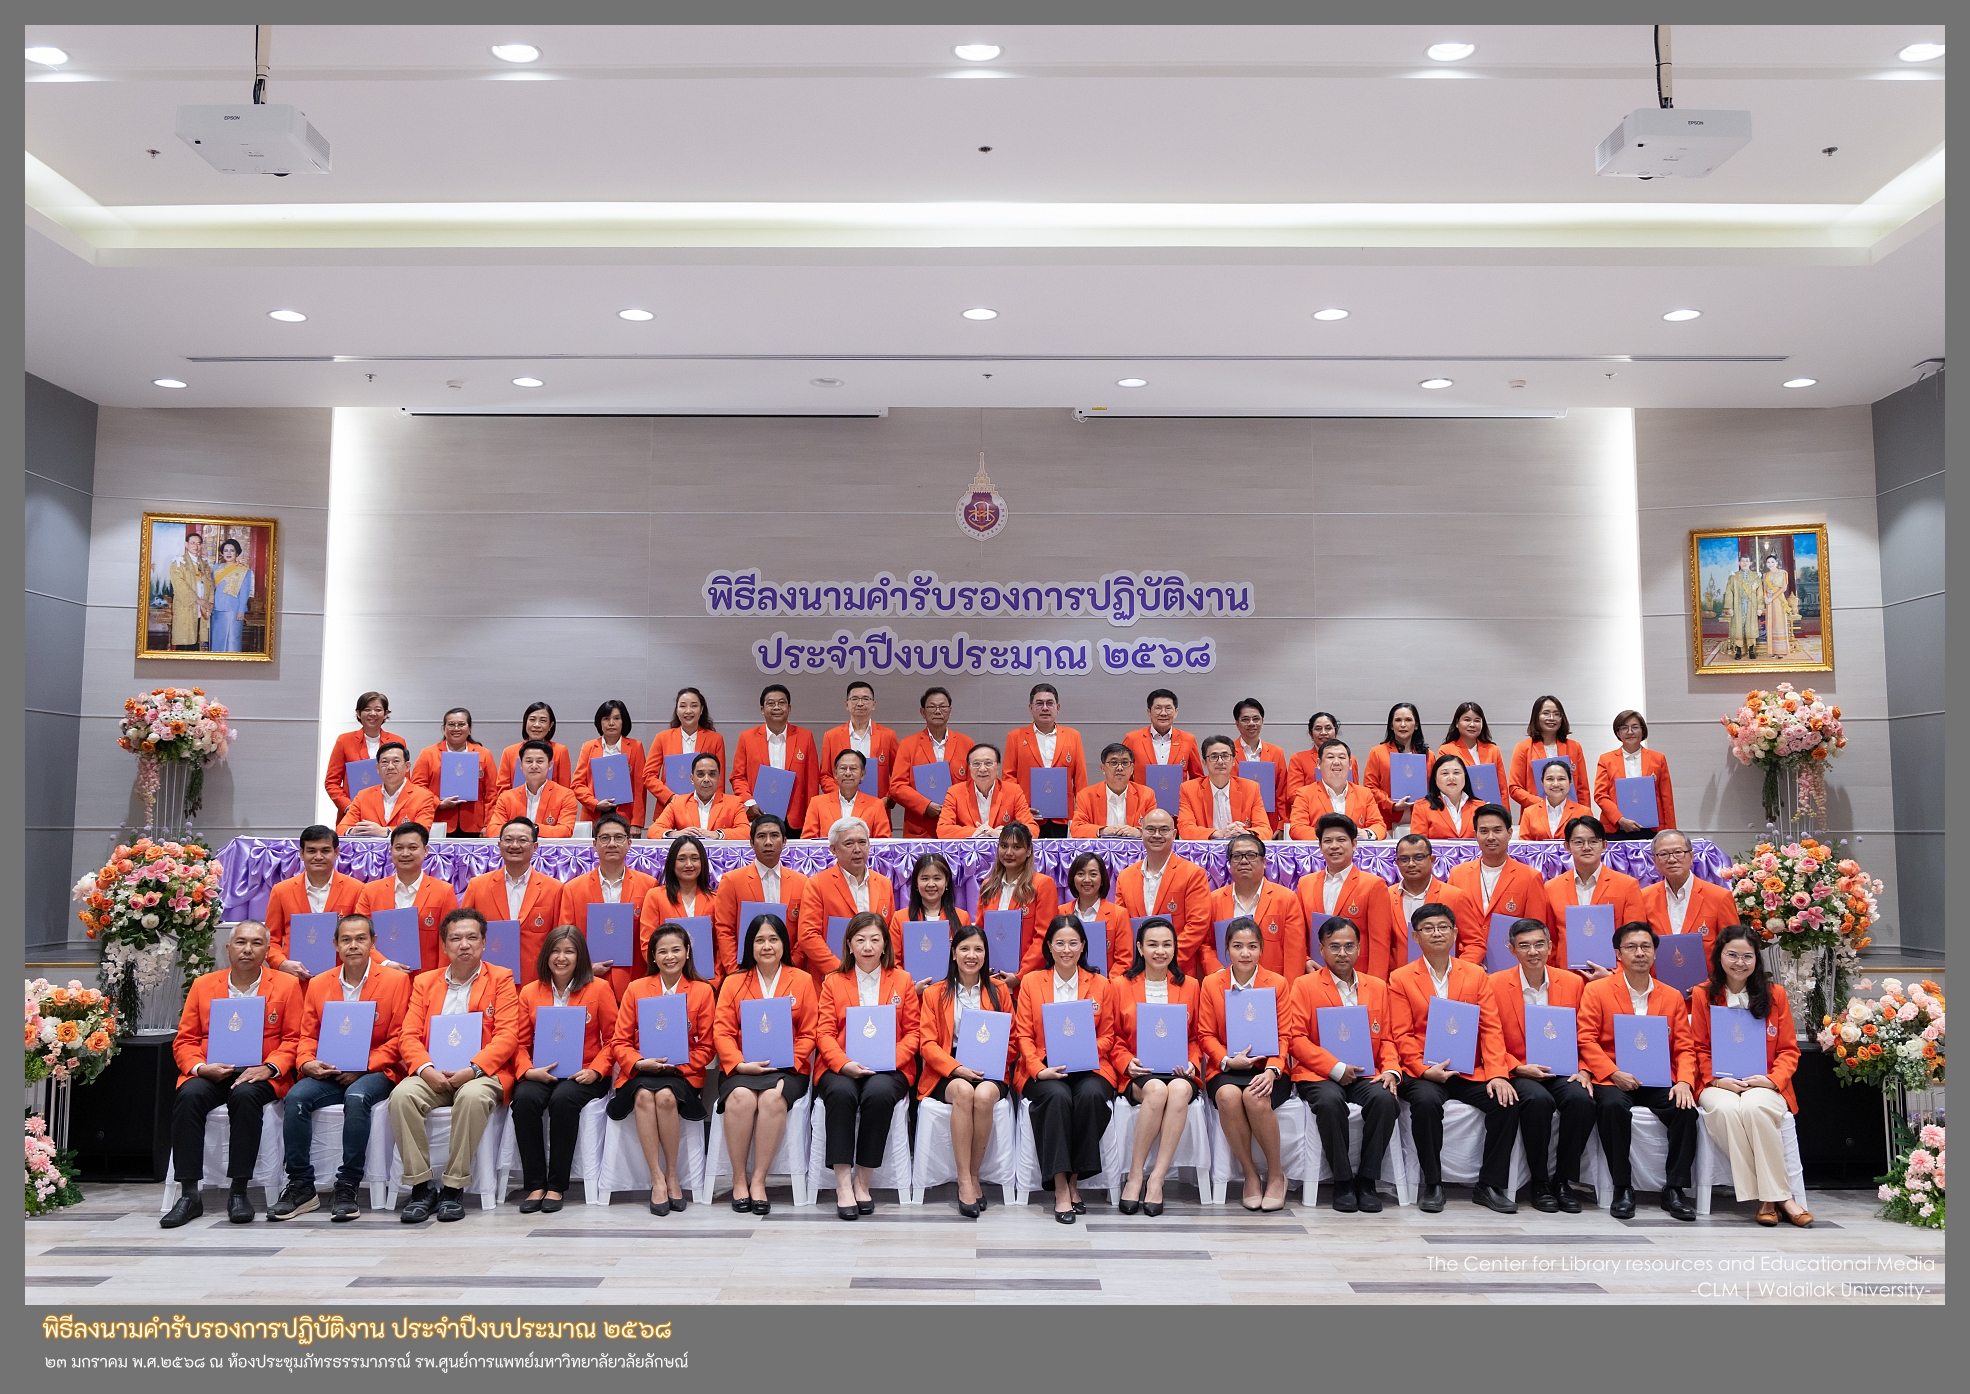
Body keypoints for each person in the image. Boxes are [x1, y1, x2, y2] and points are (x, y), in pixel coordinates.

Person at [161, 920, 304, 1228]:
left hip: (260, 1073)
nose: (247, 950)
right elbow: (185, 1040)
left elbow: (294, 1038)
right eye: (241, 942)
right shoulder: (204, 985)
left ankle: (238, 1191)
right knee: (189, 1096)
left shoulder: (286, 985)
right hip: (212, 1070)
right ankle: (189, 1195)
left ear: (266, 950)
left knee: (245, 1095)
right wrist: (201, 1068)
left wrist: (269, 1067)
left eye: (256, 943)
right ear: (228, 949)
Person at [271, 913, 411, 1222]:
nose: (353, 946)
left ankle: (347, 1184)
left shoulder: (396, 981)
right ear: (335, 944)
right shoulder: (319, 983)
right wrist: (307, 1062)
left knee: (357, 1098)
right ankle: (301, 1185)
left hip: (375, 1071)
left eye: (361, 939)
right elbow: (307, 1035)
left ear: (373, 942)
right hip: (329, 1070)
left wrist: (364, 1065)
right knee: (296, 1098)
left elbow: (401, 1037)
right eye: (346, 940)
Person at [389, 908, 522, 1224]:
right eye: (456, 938)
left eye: (472, 937)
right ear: (444, 945)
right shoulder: (424, 982)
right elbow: (408, 1035)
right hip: (432, 1073)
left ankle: (453, 1187)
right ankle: (421, 1187)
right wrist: (425, 1069)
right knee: (402, 1096)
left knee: (472, 1097)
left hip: (480, 1074)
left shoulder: (501, 978)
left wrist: (472, 1070)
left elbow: (507, 1036)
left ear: (484, 943)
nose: (464, 944)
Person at [1388, 904, 1521, 1214]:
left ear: (1455, 933)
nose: (1437, 933)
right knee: (1425, 1102)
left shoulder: (1476, 974)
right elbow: (1401, 1034)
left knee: (1507, 1101)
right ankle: (1433, 1184)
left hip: (1469, 1069)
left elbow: (1490, 1028)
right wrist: (1423, 1069)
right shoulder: (1401, 978)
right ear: (1416, 937)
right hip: (1424, 1070)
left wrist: (1498, 1073)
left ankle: (1489, 1185)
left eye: (1443, 927)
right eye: (1428, 928)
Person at [1578, 921, 1700, 1221]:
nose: (1640, 953)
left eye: (1646, 946)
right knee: (1611, 1107)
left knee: (1685, 1110)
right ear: (1618, 954)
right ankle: (1622, 1187)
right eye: (1631, 947)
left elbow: (1685, 1047)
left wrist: (1684, 1081)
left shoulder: (1671, 996)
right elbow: (1586, 1039)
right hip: (1615, 1077)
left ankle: (1675, 1189)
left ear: (1656, 953)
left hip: (1659, 1078)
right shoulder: (1597, 990)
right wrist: (1612, 1072)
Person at [1691, 925, 1811, 1226]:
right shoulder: (1703, 994)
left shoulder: (1775, 995)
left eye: (1747, 956)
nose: (1739, 963)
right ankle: (1779, 1197)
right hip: (1718, 1082)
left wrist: (1771, 1080)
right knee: (1726, 1110)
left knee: (1755, 1107)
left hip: (1765, 1082)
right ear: (1719, 956)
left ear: (1757, 959)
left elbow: (1789, 1050)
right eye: (1732, 955)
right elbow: (1698, 1048)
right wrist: (1717, 1080)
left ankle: (1770, 1199)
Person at [1282, 916, 1401, 1213]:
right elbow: (1295, 1038)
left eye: (1349, 946)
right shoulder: (1304, 985)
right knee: (1329, 1102)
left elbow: (1387, 1037)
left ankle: (1367, 1181)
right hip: (1320, 1074)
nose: (1343, 953)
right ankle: (1343, 1180)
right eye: (1334, 946)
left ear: (1360, 948)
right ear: (1321, 949)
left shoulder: (1377, 986)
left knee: (1385, 1100)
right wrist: (1334, 1067)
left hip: (1366, 1073)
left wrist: (1390, 1069)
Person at [814, 912, 921, 1219]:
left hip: (889, 1067)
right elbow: (824, 1033)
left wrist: (889, 1060)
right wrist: (843, 1063)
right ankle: (842, 1184)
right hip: (841, 1065)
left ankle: (863, 1181)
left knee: (879, 1094)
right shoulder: (833, 982)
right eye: (860, 940)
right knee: (841, 1093)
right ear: (849, 945)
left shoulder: (902, 980)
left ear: (885, 944)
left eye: (875, 939)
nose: (868, 947)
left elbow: (913, 1033)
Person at [1013, 915, 1119, 1224]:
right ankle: (1060, 1186)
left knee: (1092, 1096)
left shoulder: (1100, 984)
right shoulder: (1032, 982)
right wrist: (1037, 1069)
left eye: (1073, 943)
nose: (1066, 949)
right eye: (1059, 943)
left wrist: (1084, 1052)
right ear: (1049, 946)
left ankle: (1074, 1179)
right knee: (1057, 1097)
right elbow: (1023, 1036)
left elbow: (1108, 1036)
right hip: (1044, 1067)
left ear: (1083, 946)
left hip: (1089, 1067)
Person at [713, 912, 819, 1214]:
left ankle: (759, 1180)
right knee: (741, 1098)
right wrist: (739, 1064)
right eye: (760, 940)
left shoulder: (802, 980)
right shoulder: (734, 982)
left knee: (773, 1099)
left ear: (784, 943)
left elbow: (810, 1031)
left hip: (788, 1068)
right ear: (750, 946)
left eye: (773, 939)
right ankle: (739, 1179)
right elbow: (722, 1031)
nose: (767, 946)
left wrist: (790, 1060)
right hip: (742, 1067)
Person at [610, 922, 717, 1215]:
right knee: (645, 1096)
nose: (670, 956)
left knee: (667, 1096)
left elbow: (708, 1046)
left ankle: (672, 1174)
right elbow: (620, 1041)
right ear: (653, 957)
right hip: (641, 1070)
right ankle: (656, 1178)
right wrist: (638, 1062)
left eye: (676, 950)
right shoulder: (636, 989)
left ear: (687, 952)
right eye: (662, 952)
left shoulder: (702, 991)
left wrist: (679, 1064)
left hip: (683, 1072)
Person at [510, 926, 617, 1214]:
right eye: (555, 951)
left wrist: (596, 1071)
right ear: (546, 955)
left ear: (580, 956)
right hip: (540, 1072)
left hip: (584, 1073)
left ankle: (556, 1186)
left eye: (569, 951)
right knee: (524, 1099)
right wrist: (527, 1071)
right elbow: (519, 1043)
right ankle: (535, 1184)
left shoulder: (599, 988)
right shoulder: (529, 992)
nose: (561, 958)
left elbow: (614, 1040)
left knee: (563, 1099)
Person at [1489, 918, 1593, 1213]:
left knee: (1581, 1100)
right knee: (1537, 1101)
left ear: (1550, 946)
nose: (1532, 951)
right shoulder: (1494, 984)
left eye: (1539, 944)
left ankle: (1563, 1181)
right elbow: (1490, 1036)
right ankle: (1540, 1182)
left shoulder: (1573, 983)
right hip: (1520, 1068)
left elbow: (1585, 1032)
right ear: (1511, 950)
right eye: (1524, 945)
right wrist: (1515, 1067)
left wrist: (1584, 1069)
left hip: (1564, 1068)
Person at [916, 923, 1012, 1217]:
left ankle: (974, 1174)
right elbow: (927, 1044)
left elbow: (1013, 1038)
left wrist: (994, 1061)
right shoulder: (934, 993)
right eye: (965, 949)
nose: (972, 955)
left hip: (990, 1066)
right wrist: (956, 1068)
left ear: (985, 954)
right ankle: (964, 1180)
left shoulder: (999, 990)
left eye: (978, 949)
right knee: (963, 1091)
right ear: (953, 953)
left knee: (983, 1095)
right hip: (948, 1066)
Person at [1109, 916, 1202, 1216]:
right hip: (1141, 1071)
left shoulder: (1191, 986)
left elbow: (1197, 1037)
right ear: (1139, 948)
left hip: (1178, 1070)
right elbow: (1113, 1036)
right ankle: (1135, 1176)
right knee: (1157, 1091)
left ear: (1175, 948)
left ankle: (1157, 1179)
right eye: (1152, 944)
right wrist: (1127, 1063)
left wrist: (1192, 1062)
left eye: (1166, 944)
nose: (1160, 951)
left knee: (1178, 1090)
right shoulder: (1120, 985)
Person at [1199, 918, 1291, 1212]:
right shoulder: (1212, 983)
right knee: (1227, 1096)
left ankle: (1276, 1174)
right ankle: (1250, 1174)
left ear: (1261, 949)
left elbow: (1284, 1035)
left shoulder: (1277, 983)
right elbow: (1205, 1034)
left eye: (1252, 946)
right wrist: (1227, 1060)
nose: (1245, 953)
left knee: (1255, 1097)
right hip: (1226, 1066)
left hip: (1267, 1067)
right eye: (1237, 946)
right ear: (1227, 949)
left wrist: (1272, 1070)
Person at [557, 814, 659, 997]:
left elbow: (653, 937)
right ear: (594, 844)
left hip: (635, 982)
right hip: (589, 983)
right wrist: (586, 968)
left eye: (618, 837)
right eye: (605, 838)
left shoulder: (648, 885)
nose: (612, 844)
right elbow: (566, 938)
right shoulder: (573, 889)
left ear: (629, 842)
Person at [1293, 814, 1400, 981]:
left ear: (1354, 844)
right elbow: (1299, 934)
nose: (1334, 846)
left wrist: (1374, 985)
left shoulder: (1373, 885)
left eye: (1341, 840)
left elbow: (1380, 943)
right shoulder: (1305, 883)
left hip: (1357, 977)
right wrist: (1305, 960)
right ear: (1320, 846)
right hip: (1316, 976)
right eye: (1328, 841)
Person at [459, 816, 564, 986]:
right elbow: (464, 932)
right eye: (508, 840)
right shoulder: (477, 886)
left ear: (535, 846)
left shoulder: (554, 889)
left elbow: (560, 939)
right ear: (499, 845)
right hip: (487, 981)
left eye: (522, 840)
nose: (514, 845)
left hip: (537, 982)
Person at [1448, 805, 1553, 964]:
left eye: (1497, 830)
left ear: (1509, 833)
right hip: (1466, 963)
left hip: (1510, 964)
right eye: (1484, 831)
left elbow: (1534, 932)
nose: (1490, 837)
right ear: (1475, 835)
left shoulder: (1530, 877)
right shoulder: (1458, 874)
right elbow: (1449, 925)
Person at [794, 818, 897, 977]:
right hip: (833, 977)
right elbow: (808, 935)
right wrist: (840, 971)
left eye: (862, 842)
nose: (857, 849)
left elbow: (889, 932)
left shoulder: (884, 883)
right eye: (849, 843)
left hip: (876, 976)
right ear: (833, 850)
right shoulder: (817, 884)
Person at [1115, 809, 1213, 976]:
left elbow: (1197, 925)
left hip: (1178, 972)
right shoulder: (1125, 877)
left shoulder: (1192, 874)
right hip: (1136, 972)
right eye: (1150, 829)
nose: (1157, 835)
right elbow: (1121, 929)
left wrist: (1165, 961)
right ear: (1141, 832)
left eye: (1163, 830)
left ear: (1174, 834)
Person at [712, 816, 807, 984]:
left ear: (784, 841)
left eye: (774, 835)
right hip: (744, 971)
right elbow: (724, 929)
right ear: (751, 842)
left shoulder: (802, 882)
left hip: (789, 972)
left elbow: (804, 930)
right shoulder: (732, 881)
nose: (768, 842)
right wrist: (736, 972)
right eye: (762, 836)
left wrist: (792, 967)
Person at [262, 824, 365, 978]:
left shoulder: (357, 889)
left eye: (325, 851)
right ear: (301, 853)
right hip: (294, 979)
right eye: (311, 851)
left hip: (342, 978)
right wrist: (281, 963)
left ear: (336, 853)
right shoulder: (281, 891)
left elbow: (363, 937)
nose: (318, 857)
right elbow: (270, 939)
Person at [1542, 817, 1637, 975]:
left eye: (1593, 841)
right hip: (1566, 977)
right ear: (1567, 846)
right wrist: (1555, 974)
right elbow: (1550, 940)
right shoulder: (1551, 888)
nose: (1586, 847)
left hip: (1610, 976)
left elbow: (1635, 938)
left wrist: (1615, 973)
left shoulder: (1627, 886)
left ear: (1604, 845)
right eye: (1579, 842)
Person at [358, 822, 457, 972]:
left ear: (426, 851)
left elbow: (448, 942)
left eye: (412, 848)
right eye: (399, 848)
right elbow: (359, 937)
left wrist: (439, 979)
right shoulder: (370, 891)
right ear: (390, 851)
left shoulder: (444, 892)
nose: (405, 853)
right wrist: (384, 963)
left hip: (426, 978)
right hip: (381, 975)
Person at [1209, 831, 1307, 980]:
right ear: (1229, 864)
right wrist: (1217, 972)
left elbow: (1295, 954)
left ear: (1264, 862)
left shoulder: (1286, 899)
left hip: (1272, 987)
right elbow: (1206, 945)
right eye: (1237, 856)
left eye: (1251, 855)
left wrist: (1288, 990)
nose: (1243, 861)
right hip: (1226, 985)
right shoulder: (1214, 900)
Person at [731, 684, 821, 836]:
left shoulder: (805, 737)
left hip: (795, 819)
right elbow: (737, 777)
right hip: (759, 814)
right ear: (762, 709)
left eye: (782, 703)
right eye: (771, 703)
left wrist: (811, 817)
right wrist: (749, 803)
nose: (777, 707)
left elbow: (812, 781)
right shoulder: (747, 738)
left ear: (789, 708)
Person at [1636, 829, 1740, 957]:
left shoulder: (1719, 897)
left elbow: (1734, 948)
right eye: (1663, 854)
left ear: (1691, 856)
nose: (1671, 859)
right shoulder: (1643, 897)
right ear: (1655, 861)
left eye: (1678, 852)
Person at [1003, 682, 1087, 839]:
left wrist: (1081, 812)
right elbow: (1009, 777)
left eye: (1050, 703)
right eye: (1039, 703)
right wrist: (1020, 808)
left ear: (1058, 707)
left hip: (1062, 815)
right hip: (1028, 814)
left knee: (1060, 854)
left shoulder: (1073, 736)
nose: (1045, 708)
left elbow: (1080, 778)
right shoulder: (1015, 737)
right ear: (1030, 708)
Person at [1386, 833, 1479, 973]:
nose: (1411, 864)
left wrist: (1456, 972)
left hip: (1445, 978)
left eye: (1418, 857)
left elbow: (1474, 944)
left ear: (1432, 860)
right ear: (1397, 863)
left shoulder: (1454, 896)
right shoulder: (1385, 896)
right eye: (1404, 859)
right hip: (1399, 979)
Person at [889, 686, 975, 838]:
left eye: (942, 707)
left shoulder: (966, 743)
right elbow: (897, 786)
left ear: (950, 711)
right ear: (922, 712)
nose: (937, 711)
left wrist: (953, 807)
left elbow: (972, 785)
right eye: (932, 707)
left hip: (957, 824)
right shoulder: (908, 744)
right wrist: (925, 805)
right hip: (920, 826)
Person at [817, 681, 900, 826]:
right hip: (840, 810)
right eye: (854, 699)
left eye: (865, 699)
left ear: (873, 704)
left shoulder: (888, 736)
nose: (860, 703)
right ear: (846, 704)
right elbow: (825, 775)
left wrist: (888, 799)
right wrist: (843, 794)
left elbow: (898, 775)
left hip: (878, 809)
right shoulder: (831, 736)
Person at [986, 823, 1062, 975]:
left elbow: (1044, 936)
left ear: (1028, 851)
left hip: (1028, 976)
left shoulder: (1042, 884)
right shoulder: (987, 886)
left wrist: (1020, 974)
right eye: (1004, 846)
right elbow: (981, 933)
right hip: (991, 976)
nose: (1009, 852)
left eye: (1016, 847)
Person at [409, 708, 494, 838]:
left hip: (475, 824)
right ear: (444, 728)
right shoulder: (428, 753)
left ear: (470, 729)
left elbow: (491, 793)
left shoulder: (484, 754)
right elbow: (417, 786)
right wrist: (438, 803)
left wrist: (489, 824)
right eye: (451, 724)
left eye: (461, 724)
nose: (456, 728)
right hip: (438, 822)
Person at [637, 832, 718, 969]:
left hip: (708, 979)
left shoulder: (716, 899)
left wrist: (715, 977)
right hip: (667, 975)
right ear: (672, 863)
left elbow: (721, 945)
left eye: (695, 858)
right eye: (681, 859)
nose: (689, 864)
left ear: (703, 862)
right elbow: (647, 944)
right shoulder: (655, 896)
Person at [1594, 710, 1678, 839]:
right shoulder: (1606, 759)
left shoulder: (1658, 758)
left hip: (1652, 829)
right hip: (1616, 827)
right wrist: (1620, 819)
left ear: (1642, 730)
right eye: (1624, 728)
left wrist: (1671, 833)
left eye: (1635, 727)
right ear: (1618, 733)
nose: (1630, 732)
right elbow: (1600, 795)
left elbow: (1666, 798)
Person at [573, 699, 650, 837]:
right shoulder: (588, 747)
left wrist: (637, 823)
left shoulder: (635, 747)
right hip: (594, 814)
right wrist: (595, 803)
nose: (611, 723)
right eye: (606, 719)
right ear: (599, 722)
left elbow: (640, 788)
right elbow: (577, 784)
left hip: (625, 815)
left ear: (623, 721)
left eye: (616, 718)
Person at [1284, 739, 1387, 841]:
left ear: (1350, 764)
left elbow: (1379, 825)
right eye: (1330, 757)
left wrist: (1367, 833)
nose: (1336, 762)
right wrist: (1329, 836)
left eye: (1342, 757)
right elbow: (1297, 828)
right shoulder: (1304, 794)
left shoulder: (1364, 793)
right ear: (1319, 763)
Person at [891, 851, 971, 983]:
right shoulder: (900, 918)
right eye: (925, 878)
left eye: (937, 878)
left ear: (946, 882)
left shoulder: (962, 917)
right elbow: (894, 961)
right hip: (912, 991)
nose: (931, 884)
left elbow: (967, 958)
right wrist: (910, 986)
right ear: (916, 883)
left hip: (951, 989)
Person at [643, 686, 727, 807]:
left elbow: (719, 779)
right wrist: (670, 797)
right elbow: (648, 775)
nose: (688, 711)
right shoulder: (662, 737)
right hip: (670, 806)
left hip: (705, 806)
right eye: (683, 706)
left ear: (701, 709)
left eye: (694, 706)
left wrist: (713, 806)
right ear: (677, 710)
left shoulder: (715, 739)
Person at [1178, 735, 1273, 840]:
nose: (1220, 761)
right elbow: (1185, 828)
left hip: (1240, 848)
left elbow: (1265, 830)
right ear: (1204, 763)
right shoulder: (1189, 789)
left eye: (1225, 756)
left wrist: (1246, 834)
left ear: (1233, 761)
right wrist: (1218, 833)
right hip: (1206, 848)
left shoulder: (1251, 788)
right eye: (1214, 757)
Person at [325, 691, 403, 816]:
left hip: (389, 811)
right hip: (353, 813)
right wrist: (348, 807)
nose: (372, 714)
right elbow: (331, 782)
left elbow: (404, 779)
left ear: (385, 714)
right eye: (367, 709)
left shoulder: (397, 741)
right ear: (358, 713)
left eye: (378, 710)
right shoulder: (344, 741)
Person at [1059, 850, 1133, 981]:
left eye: (1093, 874)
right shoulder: (1060, 912)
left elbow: (1124, 960)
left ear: (1102, 879)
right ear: (1073, 879)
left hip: (1106, 986)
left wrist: (1105, 986)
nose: (1086, 879)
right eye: (1080, 874)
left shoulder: (1119, 914)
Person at [338, 742, 438, 837]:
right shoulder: (363, 795)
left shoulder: (424, 796)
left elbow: (422, 831)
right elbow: (341, 828)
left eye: (396, 761)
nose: (390, 766)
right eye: (384, 762)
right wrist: (353, 831)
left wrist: (386, 832)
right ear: (377, 768)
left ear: (407, 766)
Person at [1507, 695, 1587, 814]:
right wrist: (1543, 804)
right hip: (1535, 814)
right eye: (1546, 713)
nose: (1551, 718)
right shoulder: (1523, 748)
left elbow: (1582, 788)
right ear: (1536, 716)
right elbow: (1515, 788)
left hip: (1570, 815)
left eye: (1556, 714)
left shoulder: (1575, 747)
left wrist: (1584, 816)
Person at [940, 742, 1037, 839]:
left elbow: (1032, 829)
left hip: (1003, 847)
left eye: (988, 763)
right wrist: (977, 832)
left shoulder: (1014, 791)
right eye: (976, 764)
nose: (982, 769)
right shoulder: (955, 792)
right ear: (969, 767)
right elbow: (942, 829)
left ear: (998, 766)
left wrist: (1002, 834)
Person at [484, 741, 579, 839]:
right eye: (529, 761)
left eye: (540, 761)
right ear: (521, 765)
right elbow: (492, 830)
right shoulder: (506, 797)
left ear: (550, 765)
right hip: (515, 847)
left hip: (548, 848)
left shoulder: (566, 795)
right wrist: (522, 830)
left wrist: (533, 829)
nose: (534, 766)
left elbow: (565, 830)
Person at [1069, 743, 1160, 838]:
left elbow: (1156, 828)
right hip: (1100, 847)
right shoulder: (1086, 795)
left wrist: (1139, 832)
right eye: (1113, 763)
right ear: (1103, 768)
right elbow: (1076, 829)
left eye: (1125, 763)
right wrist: (1102, 831)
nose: (1120, 768)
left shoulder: (1146, 795)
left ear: (1132, 768)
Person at [1362, 702, 1429, 830]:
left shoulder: (1428, 755)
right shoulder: (1377, 752)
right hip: (1387, 821)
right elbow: (1370, 787)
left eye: (1408, 720)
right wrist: (1391, 804)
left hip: (1421, 821)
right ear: (1391, 726)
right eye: (1398, 720)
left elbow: (1433, 789)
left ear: (1416, 725)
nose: (1403, 724)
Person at [800, 748, 892, 840]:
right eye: (843, 768)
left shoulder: (876, 805)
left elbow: (883, 843)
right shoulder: (817, 803)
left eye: (853, 768)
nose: (848, 773)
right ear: (835, 773)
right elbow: (807, 842)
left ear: (862, 774)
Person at [654, 753, 751, 838]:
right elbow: (654, 830)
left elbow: (746, 832)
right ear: (692, 779)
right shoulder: (677, 803)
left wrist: (718, 834)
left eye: (712, 774)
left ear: (719, 778)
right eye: (700, 774)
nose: (706, 779)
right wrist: (675, 834)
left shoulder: (734, 803)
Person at [1123, 688, 1204, 783]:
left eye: (1168, 708)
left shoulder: (1188, 739)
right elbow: (1123, 776)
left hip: (1178, 793)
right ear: (1149, 712)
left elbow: (1197, 778)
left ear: (1176, 712)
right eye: (1158, 708)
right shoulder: (1132, 739)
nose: (1163, 713)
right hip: (1141, 793)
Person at [1283, 711, 1357, 814]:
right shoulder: (1299, 758)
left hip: (1345, 814)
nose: (1323, 732)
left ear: (1335, 731)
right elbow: (1293, 795)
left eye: (1328, 728)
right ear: (1311, 734)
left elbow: (1355, 791)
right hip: (1312, 813)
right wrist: (1323, 804)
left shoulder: (1349, 759)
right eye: (1318, 729)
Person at [1231, 698, 1290, 825]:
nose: (1251, 723)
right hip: (1236, 821)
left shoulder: (1276, 752)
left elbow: (1282, 791)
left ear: (1262, 722)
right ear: (1237, 724)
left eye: (1256, 719)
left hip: (1269, 820)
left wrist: (1282, 824)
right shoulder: (1227, 752)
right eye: (1245, 719)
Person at [495, 702, 573, 791]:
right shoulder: (509, 752)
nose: (536, 725)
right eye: (532, 719)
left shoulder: (560, 751)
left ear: (550, 725)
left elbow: (564, 789)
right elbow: (502, 788)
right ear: (525, 722)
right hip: (515, 799)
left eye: (542, 720)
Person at [1518, 757, 1595, 841]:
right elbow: (1523, 846)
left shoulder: (1584, 812)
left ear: (1570, 782)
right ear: (1542, 782)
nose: (1555, 784)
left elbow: (1590, 843)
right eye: (1550, 779)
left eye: (1561, 779)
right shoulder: (1529, 813)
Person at [1407, 753, 1480, 841]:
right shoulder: (1422, 807)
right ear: (1435, 777)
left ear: (1465, 775)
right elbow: (1417, 844)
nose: (1451, 778)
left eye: (1456, 773)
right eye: (1445, 773)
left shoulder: (1479, 806)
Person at [1435, 702, 1504, 791]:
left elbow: (1502, 786)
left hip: (1490, 799)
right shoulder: (1446, 750)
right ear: (1457, 723)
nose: (1472, 725)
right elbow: (1445, 785)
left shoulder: (1493, 750)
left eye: (1477, 720)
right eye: (1467, 720)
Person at [167, 527, 213, 650]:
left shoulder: (204, 564)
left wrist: (209, 602)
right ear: (186, 544)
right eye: (192, 543)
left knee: (198, 639)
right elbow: (180, 586)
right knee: (185, 641)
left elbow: (210, 584)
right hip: (187, 606)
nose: (196, 546)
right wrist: (198, 600)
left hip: (202, 607)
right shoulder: (178, 563)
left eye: (198, 543)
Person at [208, 537, 253, 652]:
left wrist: (241, 610)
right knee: (217, 638)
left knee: (232, 639)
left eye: (232, 550)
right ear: (222, 553)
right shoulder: (216, 568)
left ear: (237, 553)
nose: (228, 553)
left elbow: (244, 592)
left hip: (234, 610)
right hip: (217, 609)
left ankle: (232, 661)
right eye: (226, 550)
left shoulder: (244, 570)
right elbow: (211, 588)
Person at [1722, 552, 1759, 661]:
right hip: (1738, 605)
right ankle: (1738, 650)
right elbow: (1729, 592)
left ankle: (1751, 649)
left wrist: (1760, 607)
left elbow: (1760, 593)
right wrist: (1729, 607)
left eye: (1747, 561)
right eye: (1742, 561)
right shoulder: (1733, 577)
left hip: (1751, 605)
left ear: (1750, 563)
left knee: (1750, 627)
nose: (1745, 563)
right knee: (1738, 627)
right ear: (1739, 563)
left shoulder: (1756, 576)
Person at [1761, 553, 1795, 658]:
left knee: (1779, 623)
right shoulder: (1765, 575)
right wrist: (1765, 597)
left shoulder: (1783, 573)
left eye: (1772, 562)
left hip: (1778, 600)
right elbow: (1764, 588)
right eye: (1768, 562)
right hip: (1769, 602)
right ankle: (1773, 650)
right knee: (1771, 624)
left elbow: (1783, 588)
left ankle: (1781, 651)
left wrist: (1772, 598)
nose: (1770, 564)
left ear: (1777, 563)